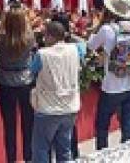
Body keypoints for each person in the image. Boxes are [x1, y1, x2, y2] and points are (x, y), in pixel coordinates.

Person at [88, 0, 130, 149]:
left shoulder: (107, 30)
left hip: (112, 86)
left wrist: (100, 23)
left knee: (102, 125)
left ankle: (103, 156)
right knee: (128, 126)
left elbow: (91, 45)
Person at [30, 18, 85, 163]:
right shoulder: (75, 49)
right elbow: (83, 43)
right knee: (64, 149)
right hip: (70, 108)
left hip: (48, 109)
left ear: (50, 36)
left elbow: (31, 71)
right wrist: (68, 36)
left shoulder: (42, 54)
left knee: (41, 148)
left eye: (45, 35)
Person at [0, 5, 36, 163]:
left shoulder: (1, 39)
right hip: (26, 82)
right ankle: (28, 157)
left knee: (9, 126)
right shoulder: (29, 37)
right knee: (28, 125)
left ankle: (11, 159)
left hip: (6, 83)